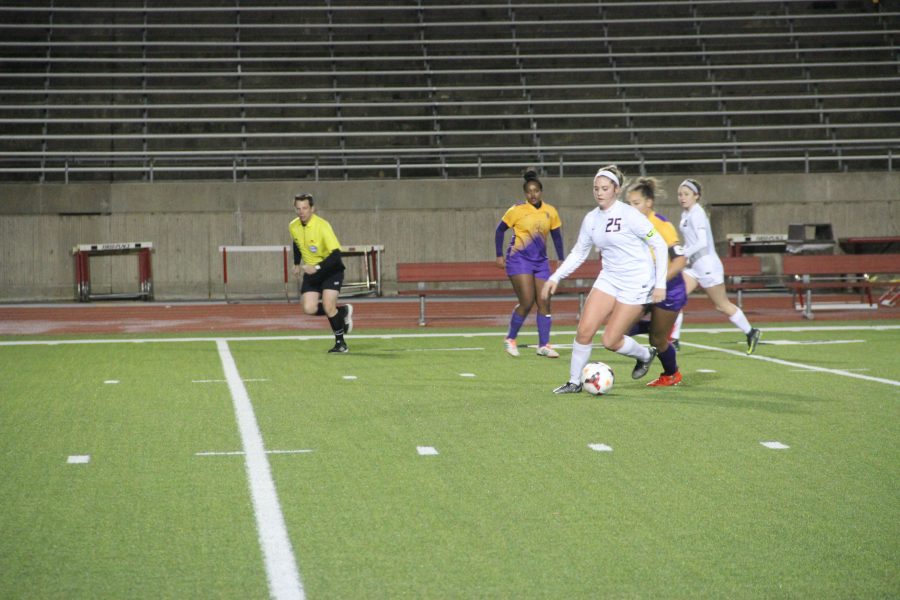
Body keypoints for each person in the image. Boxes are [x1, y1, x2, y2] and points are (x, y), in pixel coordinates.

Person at [541, 165, 669, 394]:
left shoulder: (630, 215)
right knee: (584, 330)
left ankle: (645, 354)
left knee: (610, 340)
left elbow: (658, 244)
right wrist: (556, 277)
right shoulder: (591, 219)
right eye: (596, 188)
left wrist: (660, 284)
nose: (599, 192)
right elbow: (579, 252)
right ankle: (574, 381)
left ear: (616, 190)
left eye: (605, 188)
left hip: (637, 281)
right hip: (609, 278)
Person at [671, 179, 761, 354]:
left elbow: (702, 243)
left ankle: (751, 332)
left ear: (696, 196)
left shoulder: (697, 213)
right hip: (694, 266)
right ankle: (674, 340)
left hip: (707, 267)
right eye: (680, 194)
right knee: (675, 297)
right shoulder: (685, 214)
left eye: (686, 194)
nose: (682, 198)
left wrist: (684, 254)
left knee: (722, 305)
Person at [495, 168, 565, 358]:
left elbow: (556, 236)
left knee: (544, 301)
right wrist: (499, 255)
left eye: (536, 191)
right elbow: (499, 231)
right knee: (526, 302)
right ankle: (510, 339)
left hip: (541, 261)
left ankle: (544, 345)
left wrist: (561, 258)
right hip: (519, 260)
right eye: (529, 191)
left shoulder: (550, 211)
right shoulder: (516, 210)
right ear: (525, 193)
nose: (532, 194)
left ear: (541, 191)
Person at [624, 177, 687, 386]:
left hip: (670, 289)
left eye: (636, 203)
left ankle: (671, 374)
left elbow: (680, 260)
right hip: (646, 288)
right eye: (629, 204)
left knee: (658, 341)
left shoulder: (661, 224)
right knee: (619, 329)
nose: (631, 208)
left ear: (648, 203)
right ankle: (654, 328)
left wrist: (659, 281)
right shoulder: (633, 225)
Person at [289, 192, 353, 353]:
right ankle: (342, 312)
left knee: (328, 305)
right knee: (309, 308)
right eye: (298, 208)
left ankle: (341, 343)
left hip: (331, 270)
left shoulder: (322, 226)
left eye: (305, 208)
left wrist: (316, 267)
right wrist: (297, 263)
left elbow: (336, 254)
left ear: (312, 208)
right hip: (312, 273)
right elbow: (297, 243)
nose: (301, 212)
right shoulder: (293, 226)